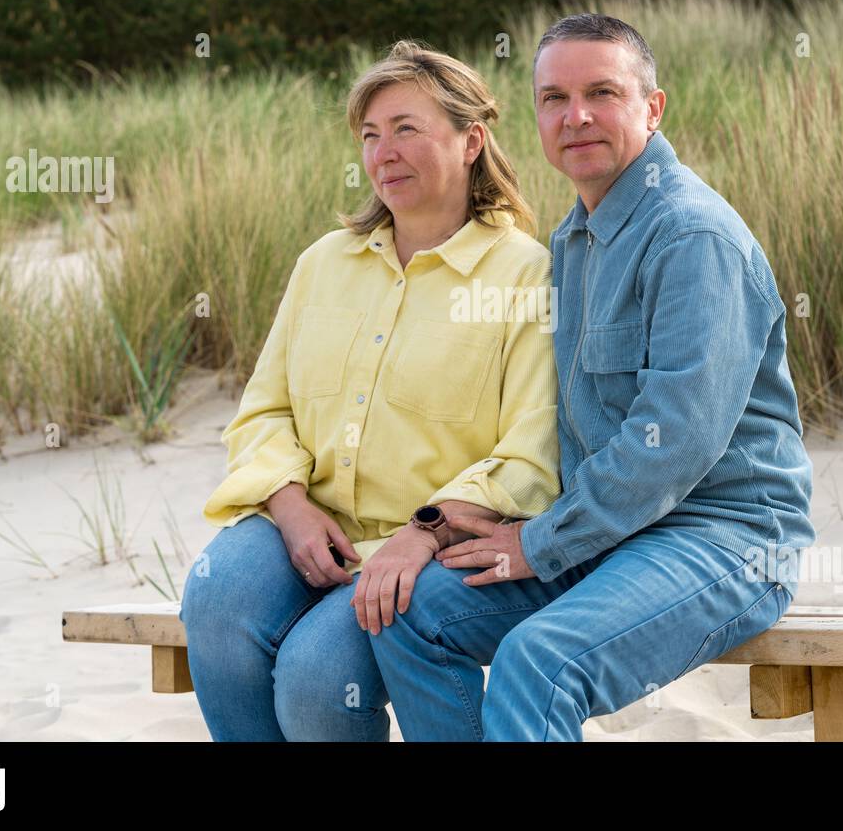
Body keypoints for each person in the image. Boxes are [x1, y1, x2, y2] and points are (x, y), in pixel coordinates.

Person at [368, 13, 818, 740]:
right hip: (606, 533)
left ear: (652, 107)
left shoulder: (692, 237)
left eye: (601, 93)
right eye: (553, 98)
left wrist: (541, 542)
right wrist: (467, 519)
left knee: (539, 662)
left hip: (724, 539)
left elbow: (671, 444)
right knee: (410, 615)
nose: (575, 116)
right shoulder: (575, 236)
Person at [179, 39, 560, 741]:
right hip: (304, 521)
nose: (384, 152)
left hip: (422, 546)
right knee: (216, 599)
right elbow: (263, 412)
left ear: (471, 139)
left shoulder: (525, 276)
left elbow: (533, 451)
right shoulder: (324, 263)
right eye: (370, 136)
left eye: (407, 130)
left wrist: (424, 533)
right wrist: (290, 508)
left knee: (317, 677)